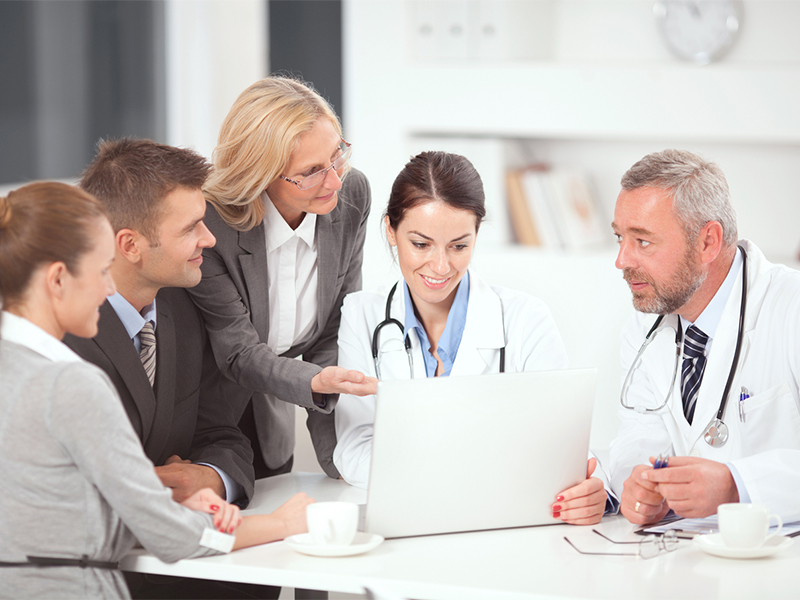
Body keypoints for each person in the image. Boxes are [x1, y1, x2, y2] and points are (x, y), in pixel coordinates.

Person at [0, 182, 312, 600]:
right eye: (100, 271)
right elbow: (172, 538)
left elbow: (54, 503)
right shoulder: (69, 383)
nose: (109, 289)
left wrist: (169, 507)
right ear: (58, 279)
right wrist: (283, 524)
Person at [333, 151, 611, 526]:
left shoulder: (526, 319)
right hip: (406, 525)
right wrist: (479, 468)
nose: (441, 266)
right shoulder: (362, 315)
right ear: (390, 230)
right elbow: (353, 452)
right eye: (421, 244)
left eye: (459, 246)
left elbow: (557, 459)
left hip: (505, 530)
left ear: (477, 234)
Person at [188, 76, 376, 480]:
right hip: (204, 424)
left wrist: (341, 460)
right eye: (310, 171)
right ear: (261, 176)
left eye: (337, 155)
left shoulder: (350, 196)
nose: (334, 181)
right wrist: (316, 382)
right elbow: (239, 353)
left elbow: (333, 334)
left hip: (274, 421)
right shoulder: (212, 225)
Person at [608, 149, 800, 526]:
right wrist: (639, 483)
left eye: (642, 241)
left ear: (708, 242)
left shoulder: (790, 307)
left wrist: (737, 486)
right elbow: (640, 435)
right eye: (619, 238)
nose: (622, 260)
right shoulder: (644, 326)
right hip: (689, 555)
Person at [64, 138, 255, 508]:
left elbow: (220, 431)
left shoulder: (184, 308)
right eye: (191, 228)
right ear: (130, 245)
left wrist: (212, 478)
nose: (210, 239)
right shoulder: (60, 334)